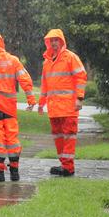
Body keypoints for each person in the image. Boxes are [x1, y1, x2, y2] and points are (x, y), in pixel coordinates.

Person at [0, 33, 36, 182]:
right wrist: (31, 98)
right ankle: (15, 171)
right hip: (10, 107)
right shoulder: (13, 60)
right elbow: (25, 78)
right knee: (12, 138)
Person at [38, 29, 87, 177]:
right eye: (51, 40)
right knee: (59, 138)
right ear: (48, 42)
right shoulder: (47, 62)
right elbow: (44, 84)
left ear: (61, 41)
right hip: (54, 108)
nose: (53, 43)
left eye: (56, 40)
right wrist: (41, 103)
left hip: (69, 107)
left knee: (69, 137)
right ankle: (64, 164)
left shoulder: (70, 57)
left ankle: (68, 167)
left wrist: (79, 98)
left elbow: (81, 76)